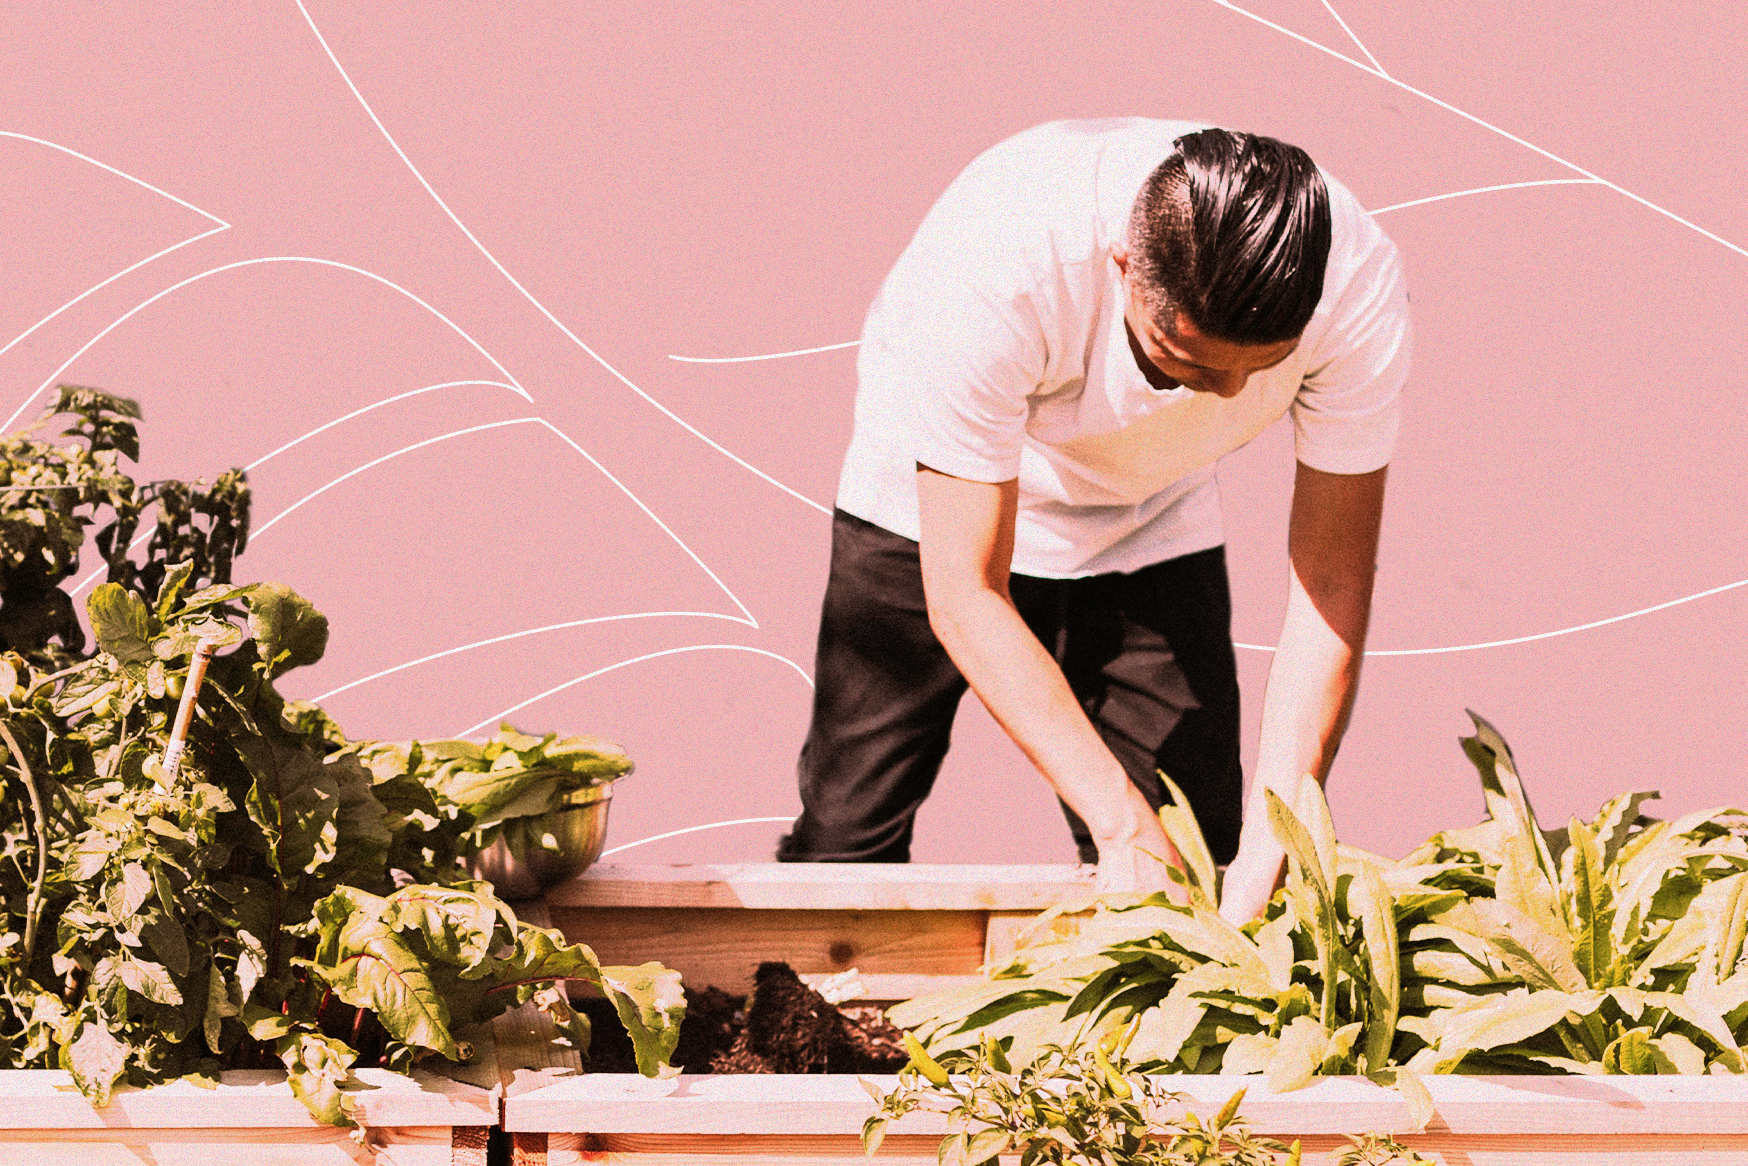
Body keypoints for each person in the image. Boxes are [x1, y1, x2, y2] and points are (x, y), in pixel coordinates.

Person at [776, 118, 1409, 923]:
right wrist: (1118, 824)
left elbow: (1332, 577)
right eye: (1186, 362)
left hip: (1150, 515)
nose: (1228, 394)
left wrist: (1283, 824)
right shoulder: (996, 262)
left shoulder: (1356, 286)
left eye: (1263, 368)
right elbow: (967, 593)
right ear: (1122, 266)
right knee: (845, 843)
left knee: (1197, 858)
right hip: (931, 508)